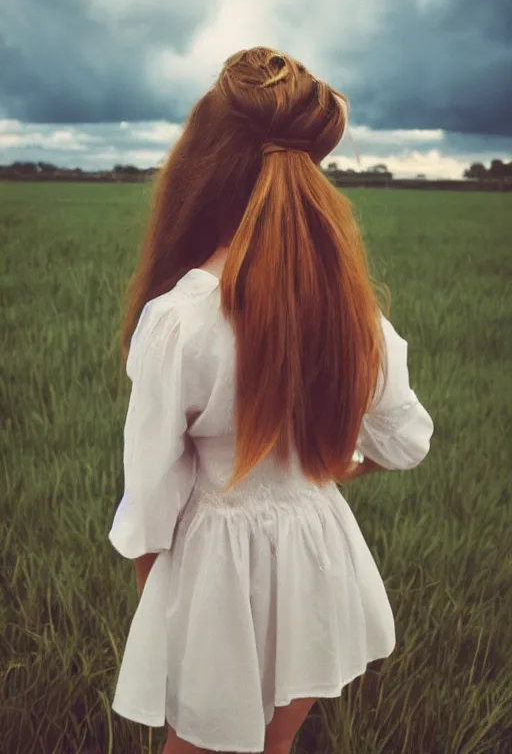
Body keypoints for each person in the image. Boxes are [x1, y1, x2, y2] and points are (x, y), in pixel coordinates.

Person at [108, 47, 434, 754]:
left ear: (203, 166)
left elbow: (149, 507)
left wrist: (165, 610)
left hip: (216, 569)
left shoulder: (181, 319)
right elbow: (403, 440)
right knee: (275, 744)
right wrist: (315, 470)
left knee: (192, 746)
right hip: (319, 558)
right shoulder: (353, 311)